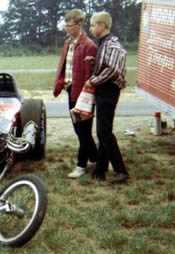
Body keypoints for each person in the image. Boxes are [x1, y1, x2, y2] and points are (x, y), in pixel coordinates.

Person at [85, 11, 129, 184]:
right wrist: (93, 61)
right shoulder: (103, 43)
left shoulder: (112, 44)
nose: (91, 27)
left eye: (93, 24)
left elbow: (112, 70)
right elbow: (106, 64)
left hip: (108, 90)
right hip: (104, 89)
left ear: (102, 25)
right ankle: (100, 170)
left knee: (104, 131)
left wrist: (93, 81)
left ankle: (121, 171)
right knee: (103, 130)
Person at [53, 9, 98, 178]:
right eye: (65, 25)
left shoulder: (89, 46)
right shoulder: (68, 43)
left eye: (69, 25)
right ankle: (96, 157)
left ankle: (81, 165)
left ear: (79, 24)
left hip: (84, 94)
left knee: (83, 129)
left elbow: (91, 74)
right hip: (71, 91)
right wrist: (62, 82)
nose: (66, 28)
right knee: (78, 128)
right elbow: (65, 67)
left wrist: (88, 95)